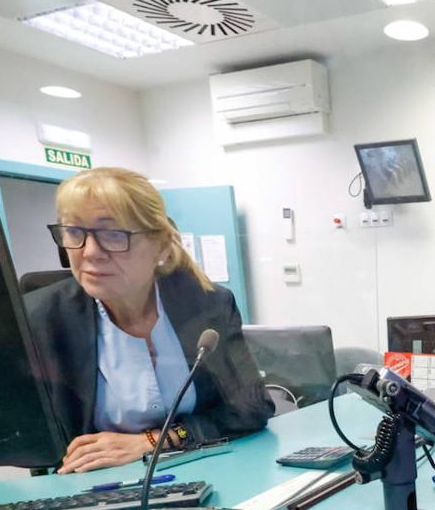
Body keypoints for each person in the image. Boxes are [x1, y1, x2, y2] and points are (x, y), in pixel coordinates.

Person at [26, 167, 272, 474]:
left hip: (206, 471)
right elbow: (31, 442)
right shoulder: (40, 319)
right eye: (75, 232)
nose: (90, 253)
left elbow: (252, 408)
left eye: (113, 235)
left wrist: (154, 440)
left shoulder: (207, 304)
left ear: (161, 245)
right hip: (95, 487)